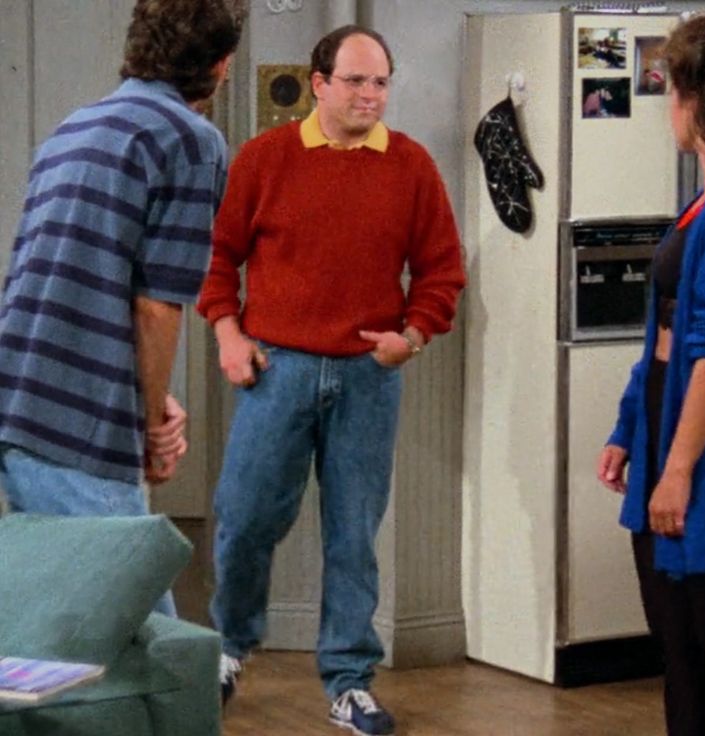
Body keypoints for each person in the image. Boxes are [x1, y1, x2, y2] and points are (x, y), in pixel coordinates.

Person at [197, 24, 465, 736]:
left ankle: (349, 682)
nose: (371, 95)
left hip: (367, 377)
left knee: (353, 536)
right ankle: (228, 647)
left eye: (380, 82)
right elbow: (218, 259)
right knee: (245, 518)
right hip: (275, 370)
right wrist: (228, 331)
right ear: (319, 84)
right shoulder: (265, 159)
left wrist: (411, 336)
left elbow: (442, 271)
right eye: (356, 81)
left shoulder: (409, 166)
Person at [0, 0, 244, 608]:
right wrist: (151, 423)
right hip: (75, 423)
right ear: (221, 66)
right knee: (139, 639)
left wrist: (151, 399)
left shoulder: (74, 127)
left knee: (63, 633)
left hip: (19, 396)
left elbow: (66, 281)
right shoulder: (190, 141)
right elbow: (155, 307)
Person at [597, 13, 705, 736]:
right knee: (681, 659)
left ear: (692, 98)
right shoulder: (701, 206)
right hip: (664, 435)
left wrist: (678, 469)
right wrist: (629, 427)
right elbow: (664, 340)